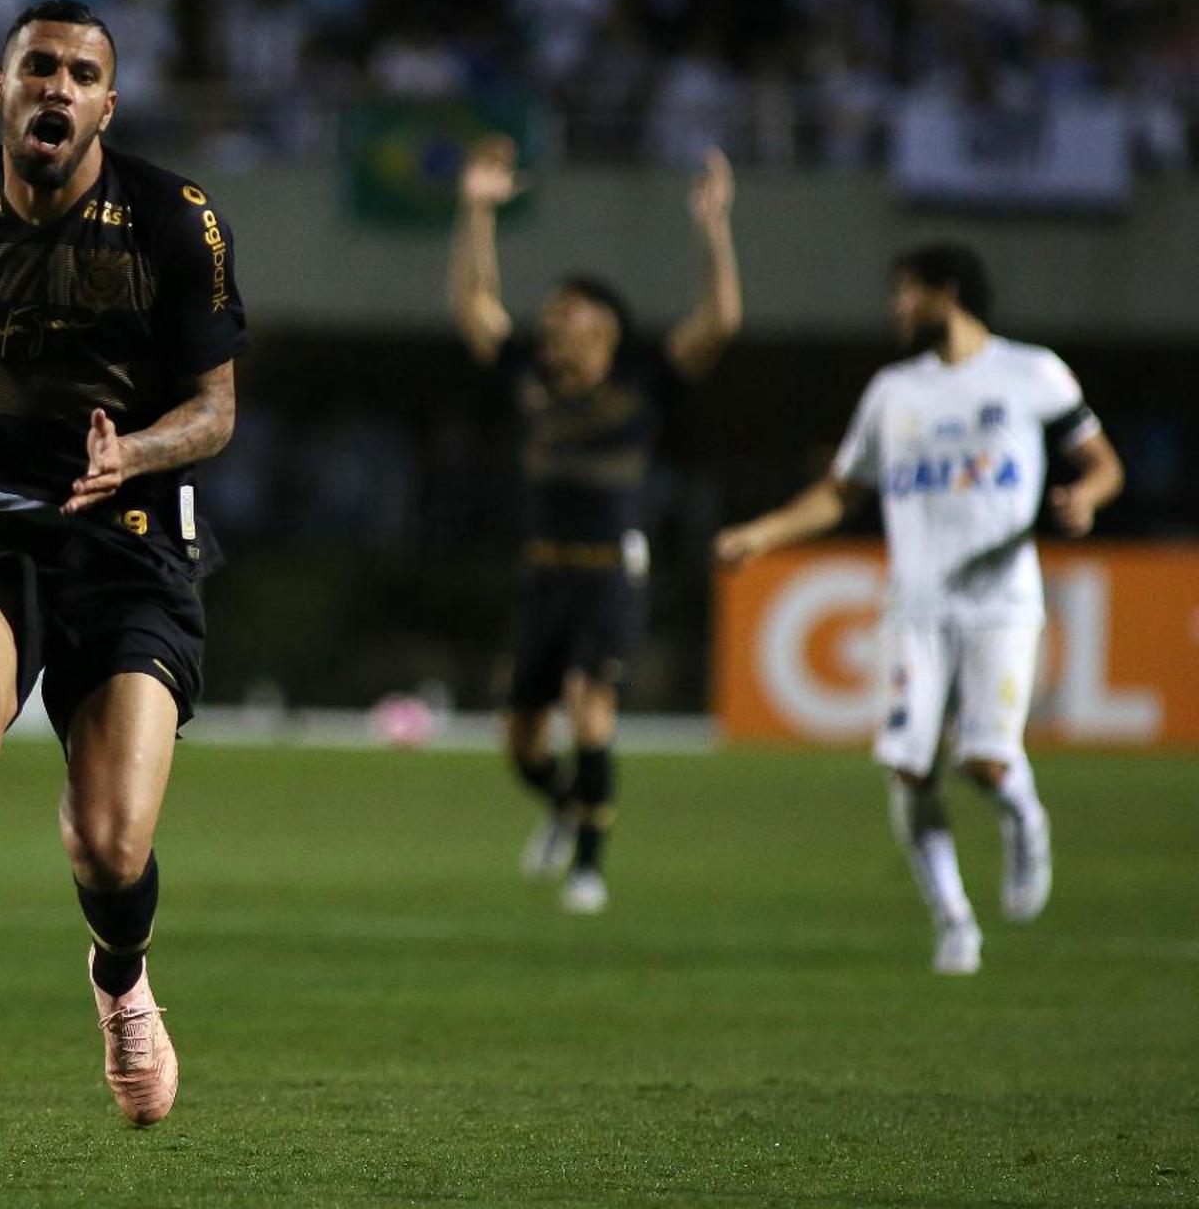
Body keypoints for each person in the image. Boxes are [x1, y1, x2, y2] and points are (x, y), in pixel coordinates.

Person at [0, 0, 244, 1177]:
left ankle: (121, 975)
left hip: (130, 533)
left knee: (107, 846)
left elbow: (217, 409)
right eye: (37, 69)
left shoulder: (176, 219)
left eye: (81, 73)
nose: (56, 88)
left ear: (107, 105)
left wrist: (139, 451)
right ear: (0, 91)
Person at [715, 242, 1123, 975]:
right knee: (908, 768)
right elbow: (844, 491)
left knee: (986, 762)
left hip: (1001, 602)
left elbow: (1103, 464)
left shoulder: (1032, 374)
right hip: (917, 609)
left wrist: (1084, 498)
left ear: (949, 291)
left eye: (907, 292)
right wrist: (764, 532)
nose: (895, 307)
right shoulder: (893, 392)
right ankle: (954, 921)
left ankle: (1026, 819)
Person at [448, 136, 742, 913]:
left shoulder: (645, 380)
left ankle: (587, 868)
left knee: (591, 705)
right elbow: (475, 311)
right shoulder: (531, 378)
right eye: (549, 315)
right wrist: (475, 212)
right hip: (543, 569)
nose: (552, 325)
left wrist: (714, 225)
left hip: (612, 567)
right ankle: (561, 800)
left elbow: (719, 321)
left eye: (567, 313)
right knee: (520, 740)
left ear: (605, 325)